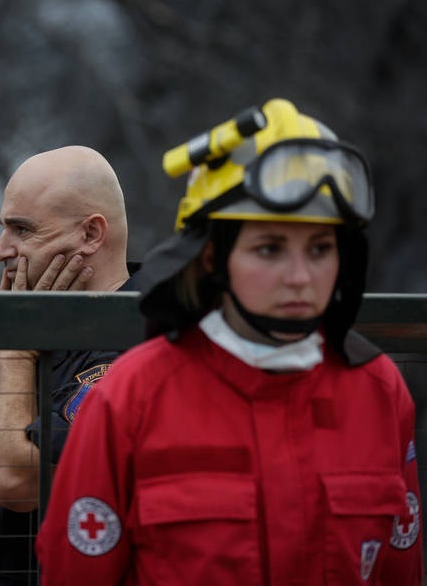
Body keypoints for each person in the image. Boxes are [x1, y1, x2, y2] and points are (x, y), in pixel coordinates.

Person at [37, 99, 423, 585]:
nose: (301, 277)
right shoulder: (131, 396)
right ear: (211, 258)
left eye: (321, 248)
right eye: (269, 249)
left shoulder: (379, 391)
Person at [0, 145, 141, 585]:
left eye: (21, 229)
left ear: (91, 234)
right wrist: (7, 340)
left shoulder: (135, 347)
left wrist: (16, 345)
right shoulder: (31, 324)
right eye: (3, 228)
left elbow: (18, 485)